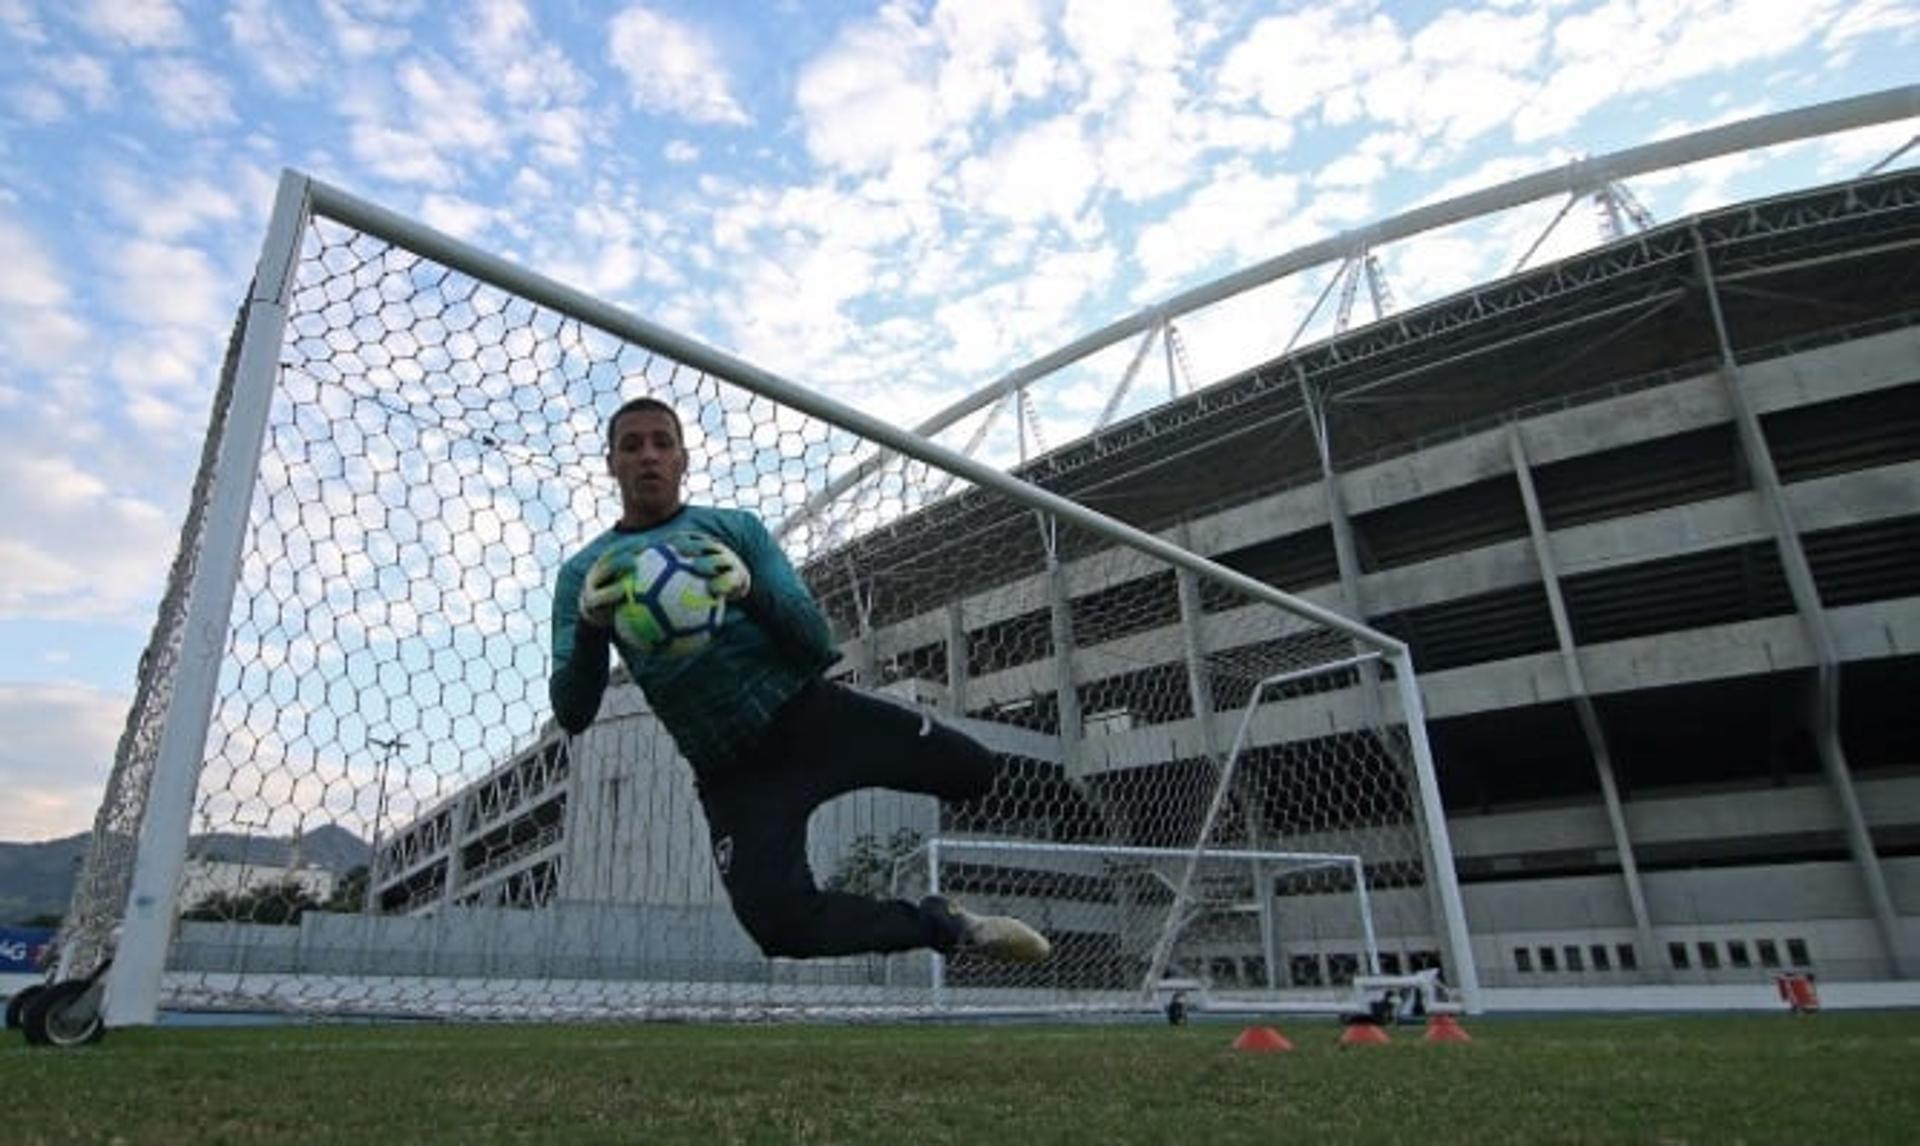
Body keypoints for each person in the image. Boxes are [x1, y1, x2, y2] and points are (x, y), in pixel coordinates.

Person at [549, 396, 1050, 965]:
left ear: (684, 458)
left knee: (974, 771)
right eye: (632, 445)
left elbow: (815, 643)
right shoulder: (587, 575)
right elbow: (573, 713)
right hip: (733, 773)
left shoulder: (734, 531)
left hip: (812, 719)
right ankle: (943, 925)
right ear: (610, 463)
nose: (649, 456)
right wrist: (592, 626)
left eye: (662, 443)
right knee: (781, 927)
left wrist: (748, 592)